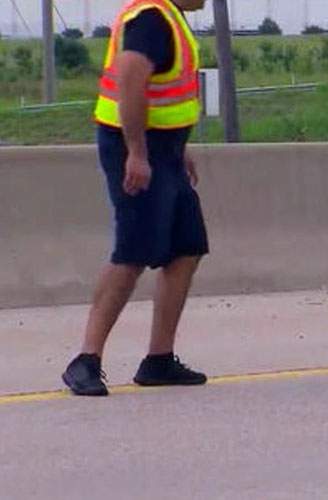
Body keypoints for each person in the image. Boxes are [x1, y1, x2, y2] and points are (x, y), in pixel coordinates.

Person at [62, 0, 209, 396]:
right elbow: (129, 77)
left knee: (187, 246)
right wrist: (138, 153)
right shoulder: (152, 19)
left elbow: (164, 95)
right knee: (133, 251)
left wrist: (178, 147)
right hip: (137, 149)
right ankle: (86, 359)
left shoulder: (169, 18)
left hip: (165, 150)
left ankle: (158, 360)